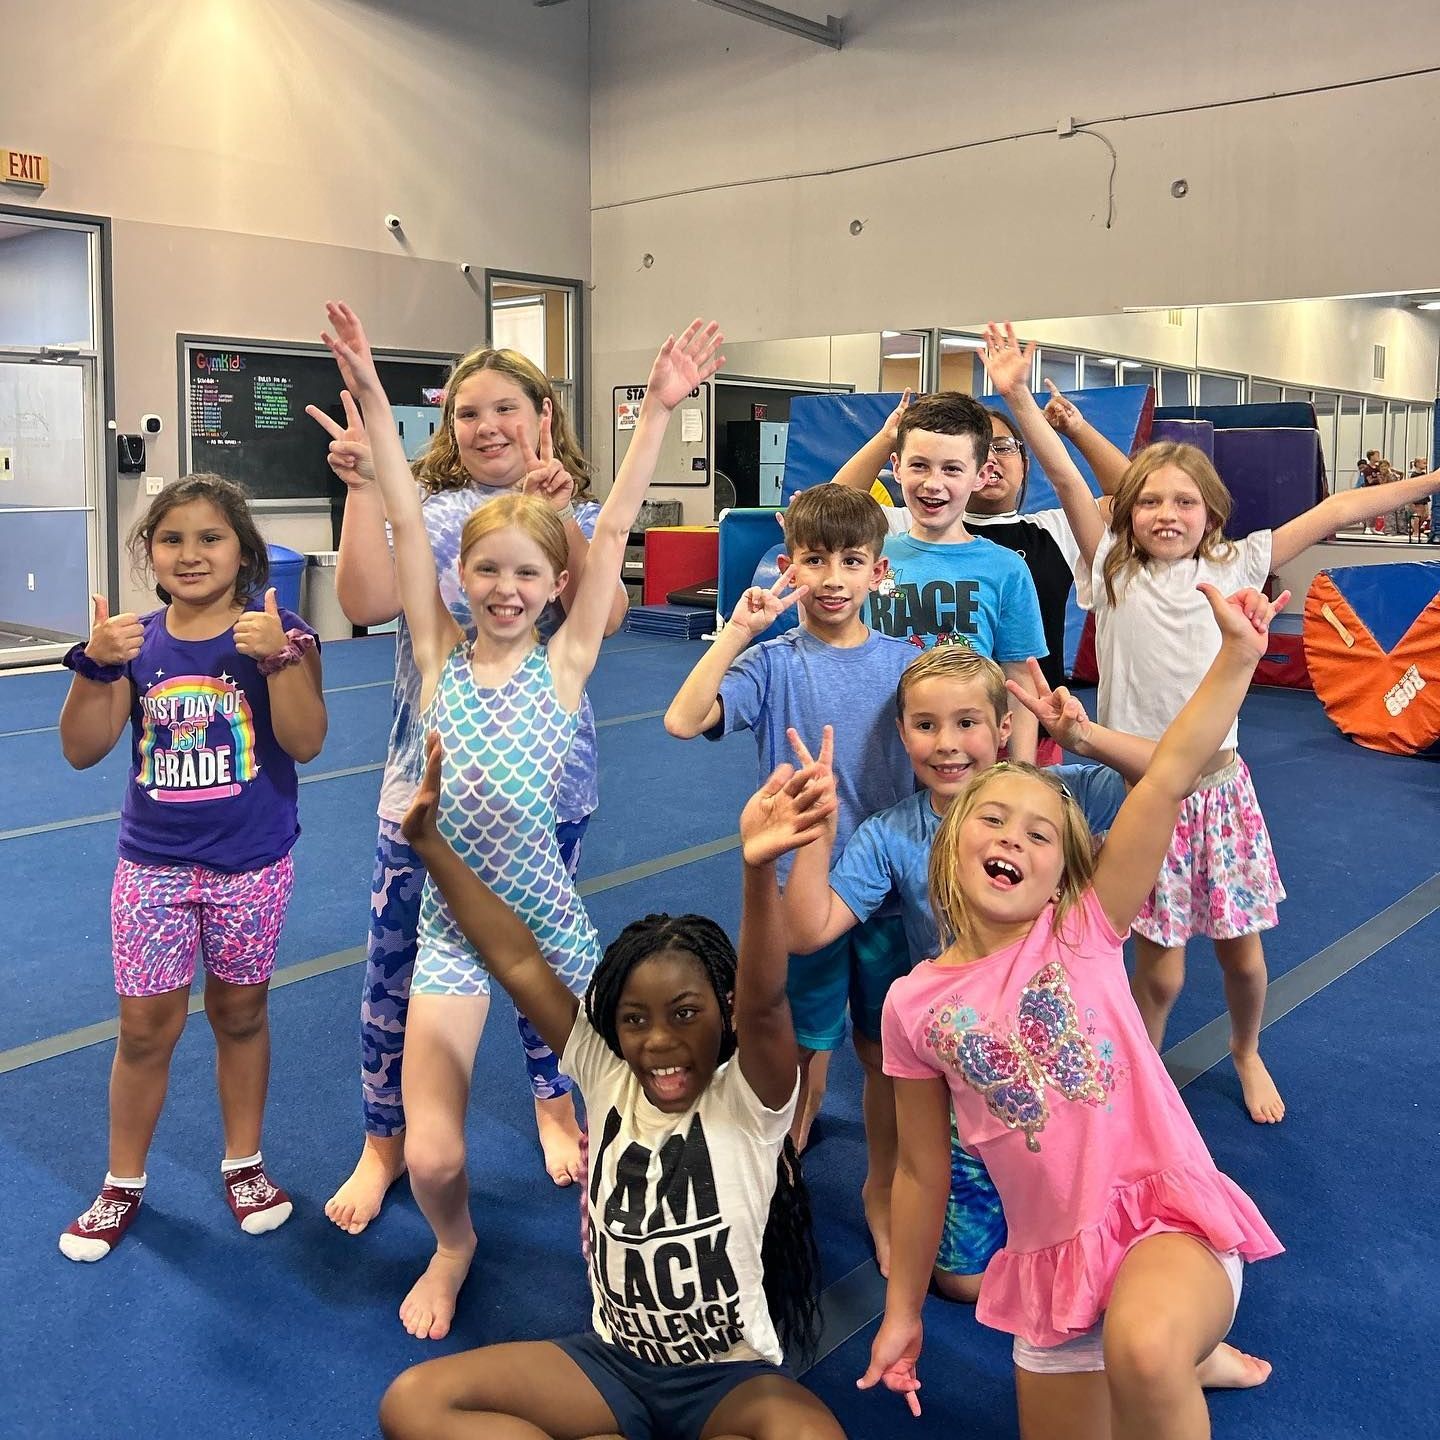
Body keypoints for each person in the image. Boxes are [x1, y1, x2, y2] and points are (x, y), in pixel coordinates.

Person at [323, 301, 723, 1340]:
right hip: (457, 935)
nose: (505, 589)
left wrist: (660, 415)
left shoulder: (567, 663)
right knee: (435, 1156)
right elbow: (408, 523)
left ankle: (611, 1228)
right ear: (459, 582)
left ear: (557, 587)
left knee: (635, 1115)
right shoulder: (435, 654)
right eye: (486, 572)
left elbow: (623, 520)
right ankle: (454, 1244)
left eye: (527, 575)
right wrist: (371, 394)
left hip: (551, 927)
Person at [985, 321, 1440, 1125]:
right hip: (1136, 791)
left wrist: (1428, 482)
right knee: (1157, 970)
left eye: (1184, 502)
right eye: (1150, 501)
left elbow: (1336, 505)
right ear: (1128, 513)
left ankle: (1245, 1047)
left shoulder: (1238, 564)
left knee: (1244, 956)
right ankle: (1141, 1069)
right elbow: (1063, 477)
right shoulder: (1112, 571)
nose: (1166, 513)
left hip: (1219, 793)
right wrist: (1019, 395)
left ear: (1211, 515)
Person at [860, 584, 1286, 1439]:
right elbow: (919, 1171)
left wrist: (1237, 656)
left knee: (1142, 1348)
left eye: (1041, 834)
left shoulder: (1085, 932)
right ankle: (1191, 1367)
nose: (1014, 837)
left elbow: (1168, 778)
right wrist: (902, 1312)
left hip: (1161, 1226)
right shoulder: (912, 1006)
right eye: (994, 819)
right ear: (950, 841)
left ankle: (1185, 1358)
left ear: (1067, 875)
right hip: (1052, 1274)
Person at [376, 734, 846, 1440]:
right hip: (613, 1365)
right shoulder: (605, 1072)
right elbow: (514, 956)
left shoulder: (752, 1096)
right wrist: (434, 847)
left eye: (685, 1015)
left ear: (723, 1011)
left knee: (809, 1435)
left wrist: (757, 870)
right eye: (634, 1021)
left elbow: (767, 1004)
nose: (658, 1041)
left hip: (725, 1379)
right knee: (414, 1402)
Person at [308, 356, 627, 1238]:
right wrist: (371, 484)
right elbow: (369, 597)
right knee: (394, 973)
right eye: (468, 412)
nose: (488, 426)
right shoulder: (429, 506)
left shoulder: (577, 511)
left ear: (543, 415)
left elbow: (609, 616)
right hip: (424, 792)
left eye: (506, 409)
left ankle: (554, 1102)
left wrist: (562, 513)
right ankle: (384, 1139)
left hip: (547, 788)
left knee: (535, 957)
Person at [781, 646, 1132, 1301]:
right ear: (903, 733)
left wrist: (1084, 738)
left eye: (967, 722)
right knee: (961, 1284)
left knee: (1085, 1230)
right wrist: (813, 837)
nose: (946, 744)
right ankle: (890, 1189)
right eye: (925, 725)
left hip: (1061, 1057)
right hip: (964, 1065)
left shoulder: (1053, 798)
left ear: (1003, 728)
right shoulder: (893, 834)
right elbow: (808, 930)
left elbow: (1174, 780)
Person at [56, 474, 327, 1261]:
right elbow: (81, 750)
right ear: (151, 553)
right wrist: (96, 665)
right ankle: (121, 1182)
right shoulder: (136, 641)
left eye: (211, 537)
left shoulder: (283, 631)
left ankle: (245, 1164)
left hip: (251, 864)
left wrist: (278, 660)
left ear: (244, 551)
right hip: (154, 868)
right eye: (172, 539)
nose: (191, 553)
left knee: (241, 1013)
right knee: (144, 1028)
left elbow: (307, 742)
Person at [665, 483, 918, 1270]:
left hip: (882, 894)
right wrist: (734, 634)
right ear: (790, 566)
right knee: (797, 1037)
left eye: (851, 561)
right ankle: (790, 1135)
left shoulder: (907, 664)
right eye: (815, 560)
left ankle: (880, 1183)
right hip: (797, 891)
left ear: (880, 573)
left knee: (882, 1052)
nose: (833, 577)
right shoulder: (772, 664)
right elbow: (682, 719)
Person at [830, 391, 1046, 761]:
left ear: (981, 475)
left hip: (959, 752)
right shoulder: (871, 556)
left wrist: (1022, 770)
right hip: (877, 748)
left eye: (951, 469)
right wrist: (885, 437)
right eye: (919, 466)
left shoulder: (1006, 567)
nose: (933, 483)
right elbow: (836, 504)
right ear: (896, 467)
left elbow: (1020, 679)